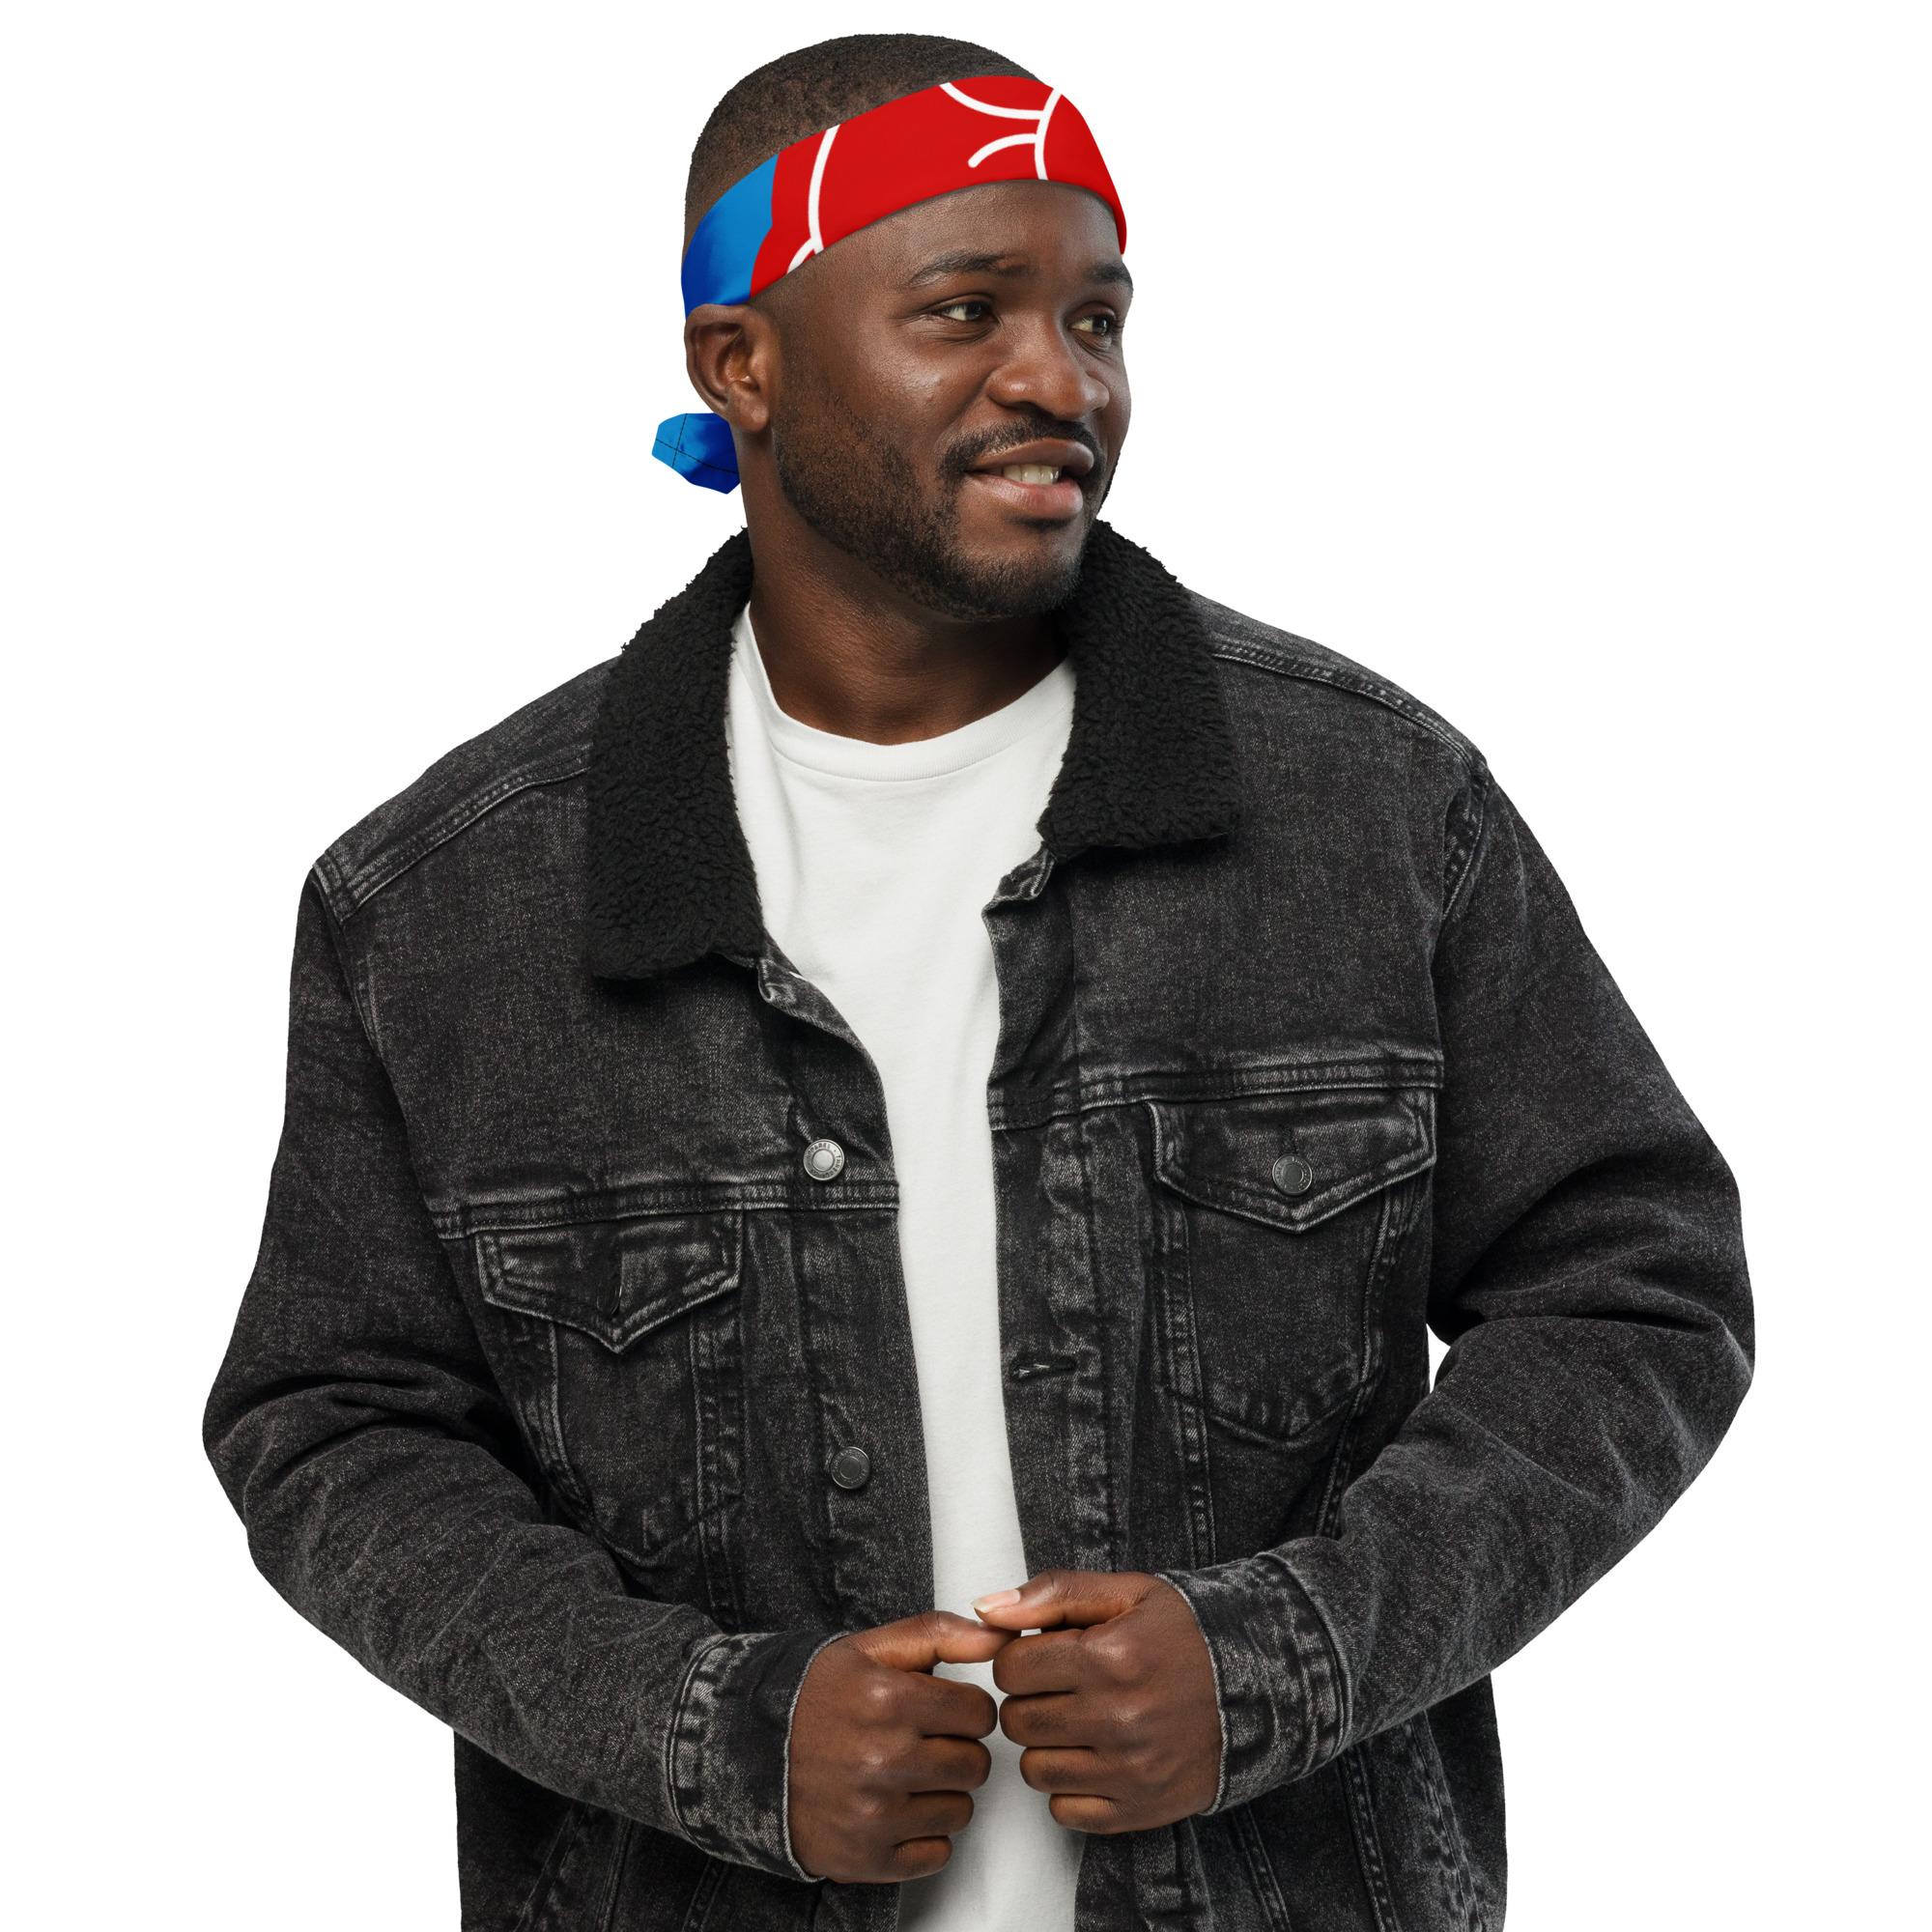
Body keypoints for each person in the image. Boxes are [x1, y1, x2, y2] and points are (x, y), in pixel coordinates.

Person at [205, 32, 1753, 1932]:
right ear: (741, 363)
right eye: (966, 311)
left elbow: (1634, 1286)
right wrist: (704, 1729)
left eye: (1097, 318)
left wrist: (1291, 1653)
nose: (1061, 380)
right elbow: (334, 1429)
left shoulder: (1370, 810)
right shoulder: (452, 905)